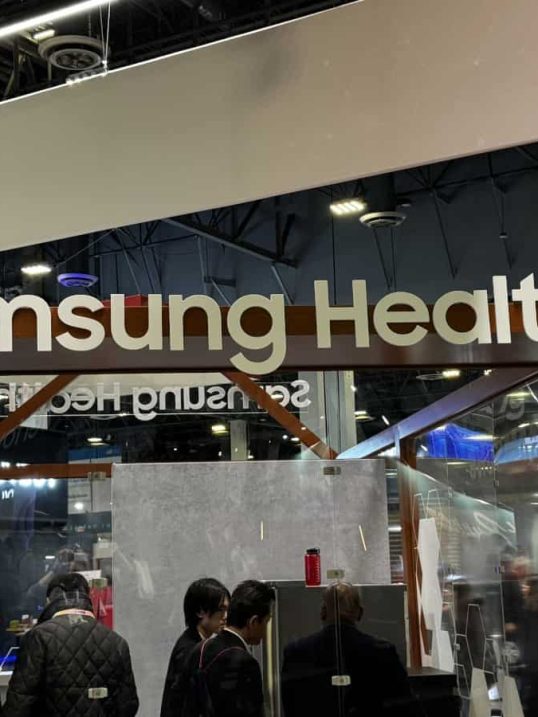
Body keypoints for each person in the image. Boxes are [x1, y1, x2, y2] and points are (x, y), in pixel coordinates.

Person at [2, 573, 138, 717]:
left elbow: (18, 705)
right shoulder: (117, 642)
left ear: (48, 601)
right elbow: (128, 705)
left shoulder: (38, 637)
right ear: (88, 597)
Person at [282, 582, 419, 717]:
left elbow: (290, 706)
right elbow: (405, 706)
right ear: (360, 613)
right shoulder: (383, 652)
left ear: (323, 612)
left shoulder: (296, 652)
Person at [181, 579, 275, 717]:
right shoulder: (245, 663)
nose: (266, 631)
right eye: (266, 622)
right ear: (254, 622)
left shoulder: (199, 649)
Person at [160, 577, 230, 717]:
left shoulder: (196, 643)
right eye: (220, 610)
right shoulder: (189, 650)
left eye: (227, 610)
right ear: (200, 612)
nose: (225, 616)